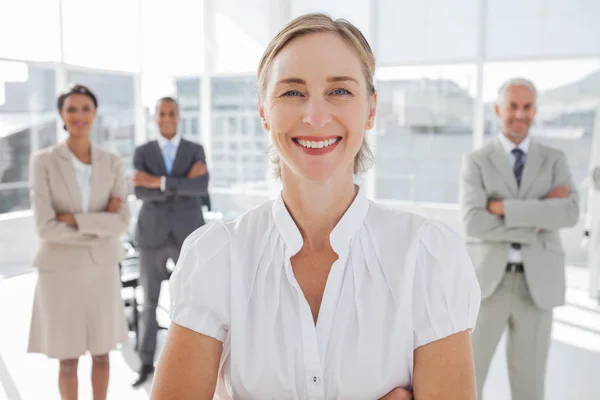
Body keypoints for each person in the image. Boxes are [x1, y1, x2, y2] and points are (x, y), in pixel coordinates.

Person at [151, 13, 480, 400]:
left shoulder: (427, 257)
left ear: (371, 109)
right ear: (263, 111)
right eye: (292, 92)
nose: (316, 116)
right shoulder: (217, 256)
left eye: (340, 91)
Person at [460, 77, 579, 400]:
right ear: (498, 109)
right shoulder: (477, 161)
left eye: (527, 107)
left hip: (537, 286)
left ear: (535, 111)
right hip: (488, 286)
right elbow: (473, 223)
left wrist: (504, 208)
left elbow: (568, 213)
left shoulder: (554, 160)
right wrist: (540, 214)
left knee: (530, 386)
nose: (519, 114)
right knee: (467, 382)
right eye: (512, 106)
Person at [27, 84, 130, 400]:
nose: (79, 116)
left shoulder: (112, 162)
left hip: (102, 271)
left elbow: (122, 221)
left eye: (85, 108)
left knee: (102, 354)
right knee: (67, 360)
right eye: (71, 109)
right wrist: (100, 223)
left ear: (95, 113)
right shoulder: (43, 161)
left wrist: (72, 218)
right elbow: (45, 227)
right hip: (59, 274)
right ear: (61, 115)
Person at [130, 96, 210, 387]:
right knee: (149, 303)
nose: (166, 117)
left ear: (179, 115)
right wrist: (179, 183)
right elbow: (140, 193)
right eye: (161, 113)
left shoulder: (195, 149)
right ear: (156, 117)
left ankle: (192, 361)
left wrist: (158, 182)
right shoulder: (143, 151)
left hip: (188, 235)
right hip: (151, 236)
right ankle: (146, 363)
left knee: (192, 301)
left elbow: (200, 186)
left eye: (171, 113)